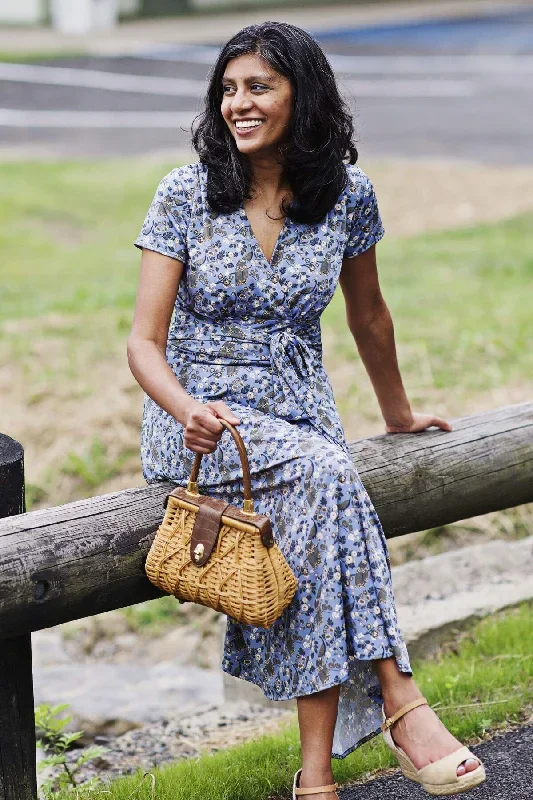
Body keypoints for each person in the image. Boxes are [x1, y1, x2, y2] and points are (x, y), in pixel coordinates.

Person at [127, 21, 486, 799]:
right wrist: (186, 407)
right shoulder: (185, 192)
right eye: (228, 89)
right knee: (328, 478)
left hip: (299, 414)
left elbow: (370, 317)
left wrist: (397, 415)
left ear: (304, 94)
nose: (238, 104)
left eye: (258, 87)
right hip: (204, 422)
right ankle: (401, 698)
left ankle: (315, 778)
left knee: (321, 510)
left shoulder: (347, 196)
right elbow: (142, 344)